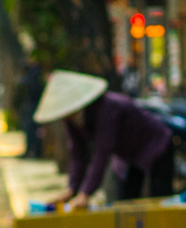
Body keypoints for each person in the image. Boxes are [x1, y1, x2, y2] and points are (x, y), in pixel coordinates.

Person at [38, 70, 175, 209]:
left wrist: (85, 194)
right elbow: (77, 154)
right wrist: (71, 190)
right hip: (128, 155)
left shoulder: (107, 108)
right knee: (126, 202)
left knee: (159, 199)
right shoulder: (70, 118)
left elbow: (102, 153)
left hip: (156, 145)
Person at [16, 56, 45, 159]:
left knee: (32, 130)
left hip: (33, 105)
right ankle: (32, 151)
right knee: (31, 130)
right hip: (32, 105)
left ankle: (34, 151)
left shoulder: (35, 74)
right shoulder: (33, 73)